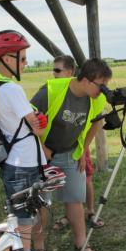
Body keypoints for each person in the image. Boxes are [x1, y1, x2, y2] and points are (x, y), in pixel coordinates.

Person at [31, 57, 112, 251]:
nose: (104, 90)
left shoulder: (96, 99)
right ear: (86, 80)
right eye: (101, 85)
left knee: (75, 199)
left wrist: (84, 149)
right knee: (41, 203)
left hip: (71, 154)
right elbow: (27, 119)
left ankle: (81, 243)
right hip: (43, 155)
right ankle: (39, 250)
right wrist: (41, 148)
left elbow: (95, 123)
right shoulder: (51, 90)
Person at [0, 30, 48, 251]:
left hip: (16, 162)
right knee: (24, 220)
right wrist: (40, 120)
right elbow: (37, 128)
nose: (26, 63)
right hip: (24, 164)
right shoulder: (12, 89)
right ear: (6, 59)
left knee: (21, 218)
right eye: (22, 58)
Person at [50, 55, 105, 230]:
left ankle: (89, 211)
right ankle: (70, 215)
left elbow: (96, 122)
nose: (55, 74)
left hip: (80, 144)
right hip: (62, 147)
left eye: (58, 70)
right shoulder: (56, 91)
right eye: (54, 70)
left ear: (71, 71)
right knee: (69, 184)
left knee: (85, 177)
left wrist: (84, 149)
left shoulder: (88, 95)